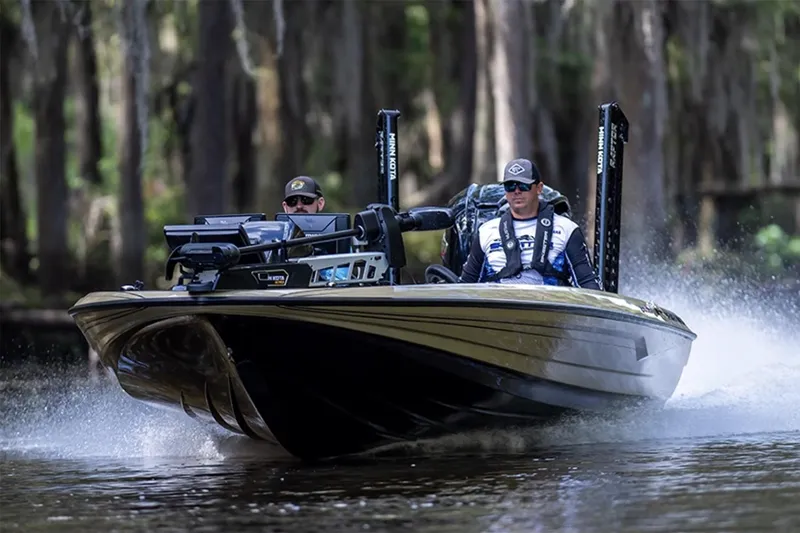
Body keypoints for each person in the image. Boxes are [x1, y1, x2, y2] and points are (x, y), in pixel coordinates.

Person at [458, 158, 601, 290]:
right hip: (498, 309)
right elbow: (466, 286)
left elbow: (587, 282)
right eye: (510, 186)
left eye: (524, 186)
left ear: (539, 188)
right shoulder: (486, 231)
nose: (517, 191)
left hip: (550, 308)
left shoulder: (566, 229)